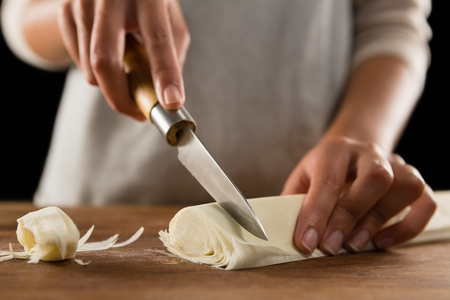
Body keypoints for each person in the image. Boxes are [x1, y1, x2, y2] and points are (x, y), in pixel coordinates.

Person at [1, 0, 436, 256]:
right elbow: (20, 13)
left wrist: (360, 139)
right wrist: (77, 10)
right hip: (94, 214)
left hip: (295, 223)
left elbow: (393, 23)